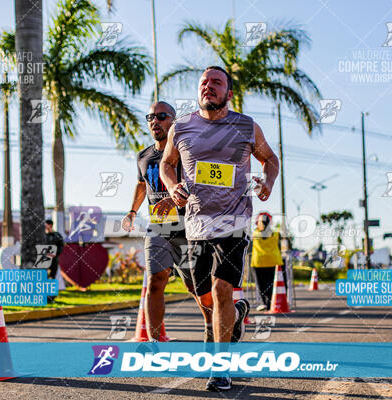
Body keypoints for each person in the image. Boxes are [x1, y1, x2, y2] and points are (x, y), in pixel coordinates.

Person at [159, 66, 279, 391]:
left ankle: (221, 367)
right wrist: (172, 188)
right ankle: (235, 317)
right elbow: (167, 164)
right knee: (204, 298)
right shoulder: (181, 127)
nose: (208, 87)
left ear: (228, 91)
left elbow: (270, 158)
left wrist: (267, 181)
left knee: (221, 290)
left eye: (216, 82)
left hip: (234, 222)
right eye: (204, 83)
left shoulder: (245, 126)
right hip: (196, 225)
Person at [122, 101, 212, 343]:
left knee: (196, 287)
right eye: (150, 117)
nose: (155, 121)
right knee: (155, 280)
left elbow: (200, 182)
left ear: (173, 120)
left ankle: (213, 328)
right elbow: (142, 184)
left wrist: (176, 199)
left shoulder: (185, 152)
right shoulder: (143, 156)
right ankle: (154, 341)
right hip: (159, 227)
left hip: (189, 228)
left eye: (161, 116)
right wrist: (132, 211)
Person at [251, 212, 285, 311]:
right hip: (273, 261)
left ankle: (265, 303)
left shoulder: (255, 233)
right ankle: (273, 302)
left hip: (259, 262)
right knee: (272, 284)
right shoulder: (276, 234)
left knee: (261, 285)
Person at [44, 219, 64, 302]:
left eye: (48, 225)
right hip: (43, 261)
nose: (48, 227)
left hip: (53, 260)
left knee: (52, 278)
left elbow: (61, 247)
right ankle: (44, 296)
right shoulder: (42, 235)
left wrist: (55, 254)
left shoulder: (57, 235)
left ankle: (52, 297)